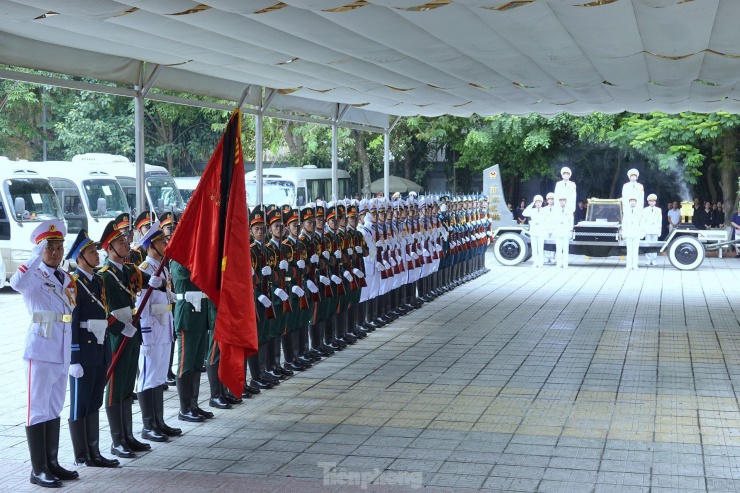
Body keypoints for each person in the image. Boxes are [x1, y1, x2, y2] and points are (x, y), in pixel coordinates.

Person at [11, 220, 80, 487]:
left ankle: (51, 462)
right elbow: (16, 282)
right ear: (40, 249)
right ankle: (37, 469)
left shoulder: (65, 277)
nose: (54, 252)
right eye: (49, 247)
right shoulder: (33, 276)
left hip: (61, 348)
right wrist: (34, 255)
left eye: (59, 247)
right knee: (37, 408)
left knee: (53, 406)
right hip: (40, 348)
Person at [98, 213, 156, 459]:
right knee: (115, 387)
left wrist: (158, 280)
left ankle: (128, 435)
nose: (127, 245)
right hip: (117, 334)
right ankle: (116, 440)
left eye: (126, 241)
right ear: (109, 248)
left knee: (127, 385)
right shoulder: (104, 275)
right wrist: (120, 328)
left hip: (132, 331)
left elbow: (151, 284)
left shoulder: (130, 269)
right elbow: (102, 311)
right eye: (121, 243)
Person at [66, 230, 120, 469]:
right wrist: (74, 357)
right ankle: (82, 454)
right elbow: (72, 321)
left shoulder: (97, 281)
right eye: (91, 251)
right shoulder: (73, 283)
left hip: (99, 347)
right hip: (84, 351)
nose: (96, 254)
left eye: (96, 251)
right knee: (81, 402)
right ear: (79, 258)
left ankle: (94, 450)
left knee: (95, 399)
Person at [134, 222, 182, 441]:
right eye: (162, 241)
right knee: (148, 377)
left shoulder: (163, 267)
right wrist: (145, 335)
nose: (166, 244)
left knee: (159, 376)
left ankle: (159, 421)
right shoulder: (144, 269)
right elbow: (139, 304)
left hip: (165, 327)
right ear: (151, 245)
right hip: (151, 330)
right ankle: (148, 425)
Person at [522, 195, 547, 268]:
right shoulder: (532, 210)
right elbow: (524, 213)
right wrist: (531, 204)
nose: (538, 204)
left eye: (539, 202)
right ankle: (535, 262)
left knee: (540, 248)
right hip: (534, 230)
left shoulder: (544, 210)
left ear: (541, 203)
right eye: (536, 202)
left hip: (541, 230)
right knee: (534, 247)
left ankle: (540, 262)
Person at [622, 196, 643, 270]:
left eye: (634, 201)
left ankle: (635, 265)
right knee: (629, 250)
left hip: (636, 232)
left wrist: (641, 233)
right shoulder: (626, 211)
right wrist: (623, 233)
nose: (632, 202)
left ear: (636, 202)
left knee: (635, 250)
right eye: (631, 201)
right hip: (628, 232)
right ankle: (628, 265)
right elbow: (624, 223)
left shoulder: (639, 211)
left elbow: (641, 223)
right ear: (629, 202)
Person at [552, 195, 573, 269]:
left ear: (566, 201)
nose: (562, 202)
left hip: (565, 231)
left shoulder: (569, 210)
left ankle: (565, 264)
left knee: (565, 249)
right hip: (558, 231)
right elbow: (554, 221)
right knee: (558, 249)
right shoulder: (556, 210)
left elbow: (571, 221)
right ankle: (559, 263)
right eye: (561, 201)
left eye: (563, 201)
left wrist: (570, 231)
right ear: (559, 202)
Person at [642, 194, 662, 266]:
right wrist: (643, 230)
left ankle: (654, 259)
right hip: (647, 229)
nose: (652, 202)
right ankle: (648, 259)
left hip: (655, 229)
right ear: (648, 202)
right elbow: (643, 221)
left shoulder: (658, 210)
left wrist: (659, 230)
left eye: (653, 201)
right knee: (647, 244)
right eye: (651, 201)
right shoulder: (645, 210)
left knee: (654, 244)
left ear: (655, 202)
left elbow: (659, 221)